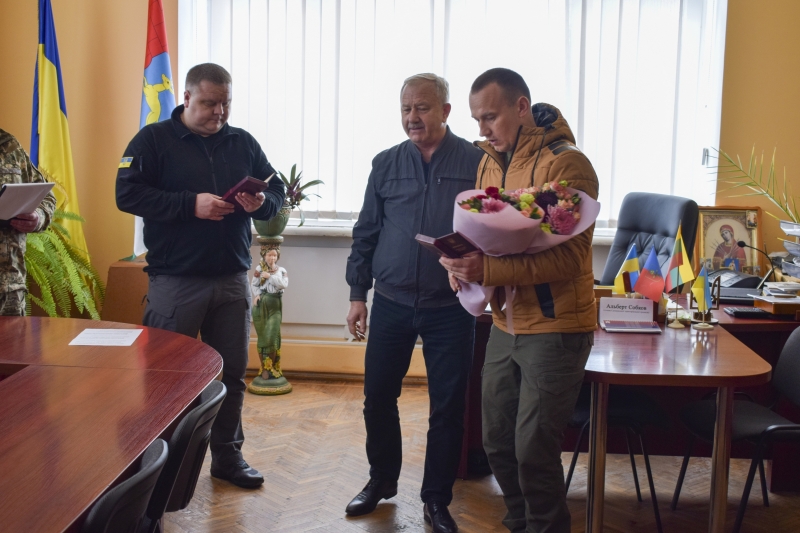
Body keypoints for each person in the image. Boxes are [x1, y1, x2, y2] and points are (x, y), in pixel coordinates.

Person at [441, 68, 599, 533]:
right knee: (496, 442)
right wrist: (462, 265)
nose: (482, 129)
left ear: (521, 106)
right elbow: (491, 238)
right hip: (505, 324)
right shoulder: (489, 159)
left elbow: (568, 258)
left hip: (556, 328)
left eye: (490, 116)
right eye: (476, 119)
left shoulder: (567, 165)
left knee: (534, 448)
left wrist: (486, 270)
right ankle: (520, 522)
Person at [116, 63, 285, 489]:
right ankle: (154, 467)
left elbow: (277, 194)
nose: (219, 113)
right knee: (163, 379)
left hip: (231, 278)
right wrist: (191, 205)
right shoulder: (152, 140)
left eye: (226, 103)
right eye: (210, 103)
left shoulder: (243, 142)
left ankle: (227, 459)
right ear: (187, 98)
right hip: (175, 281)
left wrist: (258, 205)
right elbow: (126, 194)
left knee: (230, 376)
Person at [344, 73, 483, 533]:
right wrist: (356, 295)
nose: (411, 117)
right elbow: (365, 234)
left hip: (451, 307)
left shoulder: (478, 161)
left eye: (421, 108)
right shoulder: (385, 163)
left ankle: (436, 499)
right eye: (405, 109)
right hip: (392, 302)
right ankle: (381, 480)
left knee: (448, 405)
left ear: (445, 111)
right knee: (377, 397)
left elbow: (492, 229)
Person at [0, 128, 56, 316]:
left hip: (9, 287)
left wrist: (38, 217)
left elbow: (46, 195)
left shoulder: (8, 146)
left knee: (13, 346)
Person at [248, 247, 290, 394]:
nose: (271, 258)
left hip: (275, 304)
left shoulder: (281, 271)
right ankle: (265, 368)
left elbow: (283, 284)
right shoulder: (259, 269)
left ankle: (272, 367)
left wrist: (270, 275)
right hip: (262, 303)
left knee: (273, 335)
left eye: (274, 255)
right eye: (269, 255)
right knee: (263, 336)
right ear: (264, 256)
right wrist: (258, 294)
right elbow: (254, 283)